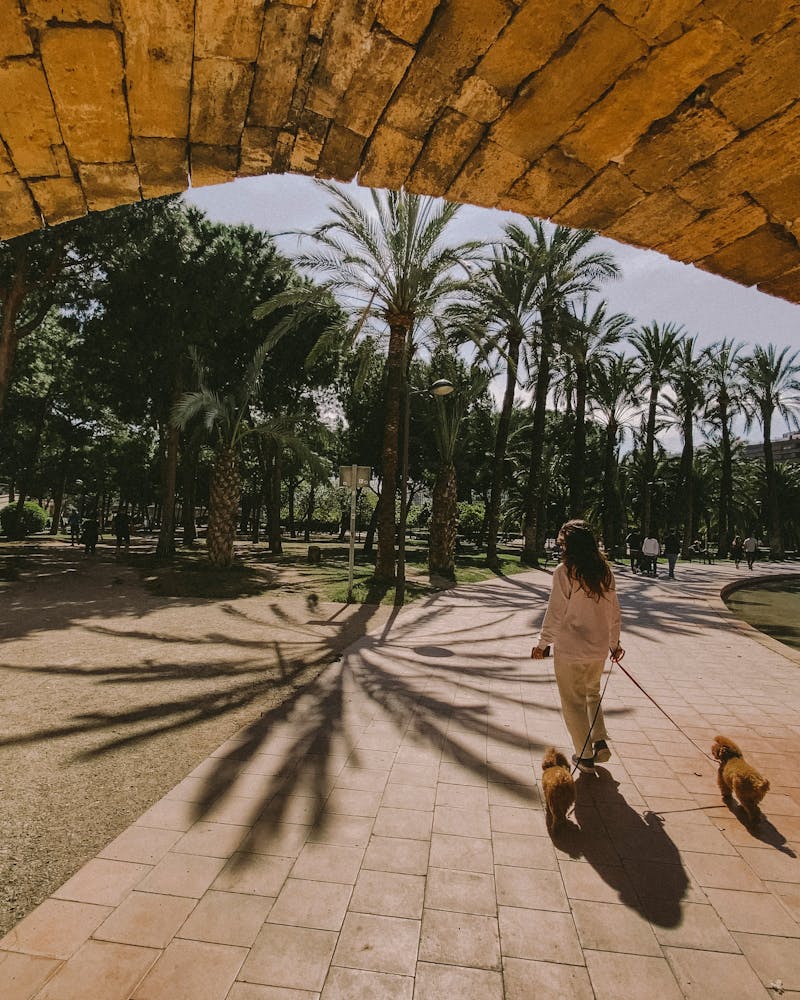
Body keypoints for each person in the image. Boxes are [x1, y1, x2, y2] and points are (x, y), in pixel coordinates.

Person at [532, 520, 623, 774]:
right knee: (592, 694)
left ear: (569, 545)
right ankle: (599, 739)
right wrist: (615, 645)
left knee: (572, 701)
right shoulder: (605, 571)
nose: (560, 547)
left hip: (570, 649)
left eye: (562, 542)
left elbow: (555, 611)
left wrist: (543, 643)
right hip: (598, 650)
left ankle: (584, 756)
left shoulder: (565, 571)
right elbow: (614, 612)